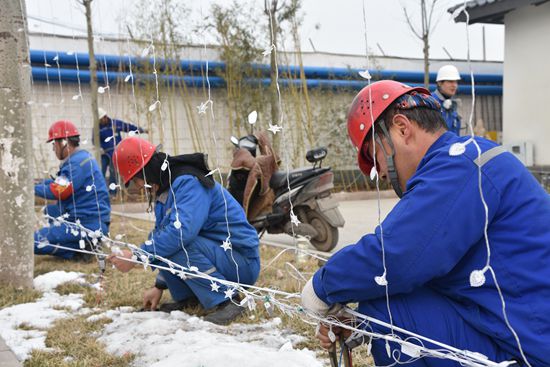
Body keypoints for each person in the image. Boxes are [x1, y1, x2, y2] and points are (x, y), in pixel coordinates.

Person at [301, 80, 550, 366]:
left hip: (530, 352)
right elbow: (426, 272)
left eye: (375, 155)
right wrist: (360, 323)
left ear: (402, 128)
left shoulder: (459, 165)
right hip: (523, 335)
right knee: (384, 303)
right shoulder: (469, 157)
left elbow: (396, 257)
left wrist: (322, 287)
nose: (380, 172)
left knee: (388, 308)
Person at [108, 137, 260, 325]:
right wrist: (159, 286)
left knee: (178, 243)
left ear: (146, 170)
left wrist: (136, 256)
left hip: (240, 263)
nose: (138, 186)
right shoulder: (166, 188)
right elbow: (163, 235)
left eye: (136, 180)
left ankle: (228, 302)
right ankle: (188, 298)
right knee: (163, 240)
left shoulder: (188, 182)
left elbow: (180, 234)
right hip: (221, 255)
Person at [34, 120, 111, 260]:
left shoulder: (76, 164)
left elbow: (58, 191)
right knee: (49, 212)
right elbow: (61, 183)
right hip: (89, 219)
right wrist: (39, 183)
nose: (53, 149)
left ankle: (79, 250)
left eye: (54, 144)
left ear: (64, 143)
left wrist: (29, 189)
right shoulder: (80, 158)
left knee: (33, 241)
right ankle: (81, 244)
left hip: (87, 224)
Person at [96, 107, 146, 191]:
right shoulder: (97, 128)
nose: (101, 121)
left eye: (101, 119)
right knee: (101, 172)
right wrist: (100, 147)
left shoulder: (115, 124)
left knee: (113, 173)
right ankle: (100, 192)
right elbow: (95, 140)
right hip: (105, 154)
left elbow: (127, 127)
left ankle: (113, 193)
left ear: (105, 117)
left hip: (115, 153)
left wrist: (140, 130)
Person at [432, 64, 462, 135]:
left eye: (455, 82)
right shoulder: (430, 102)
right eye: (450, 81)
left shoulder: (453, 106)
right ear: (439, 83)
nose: (454, 85)